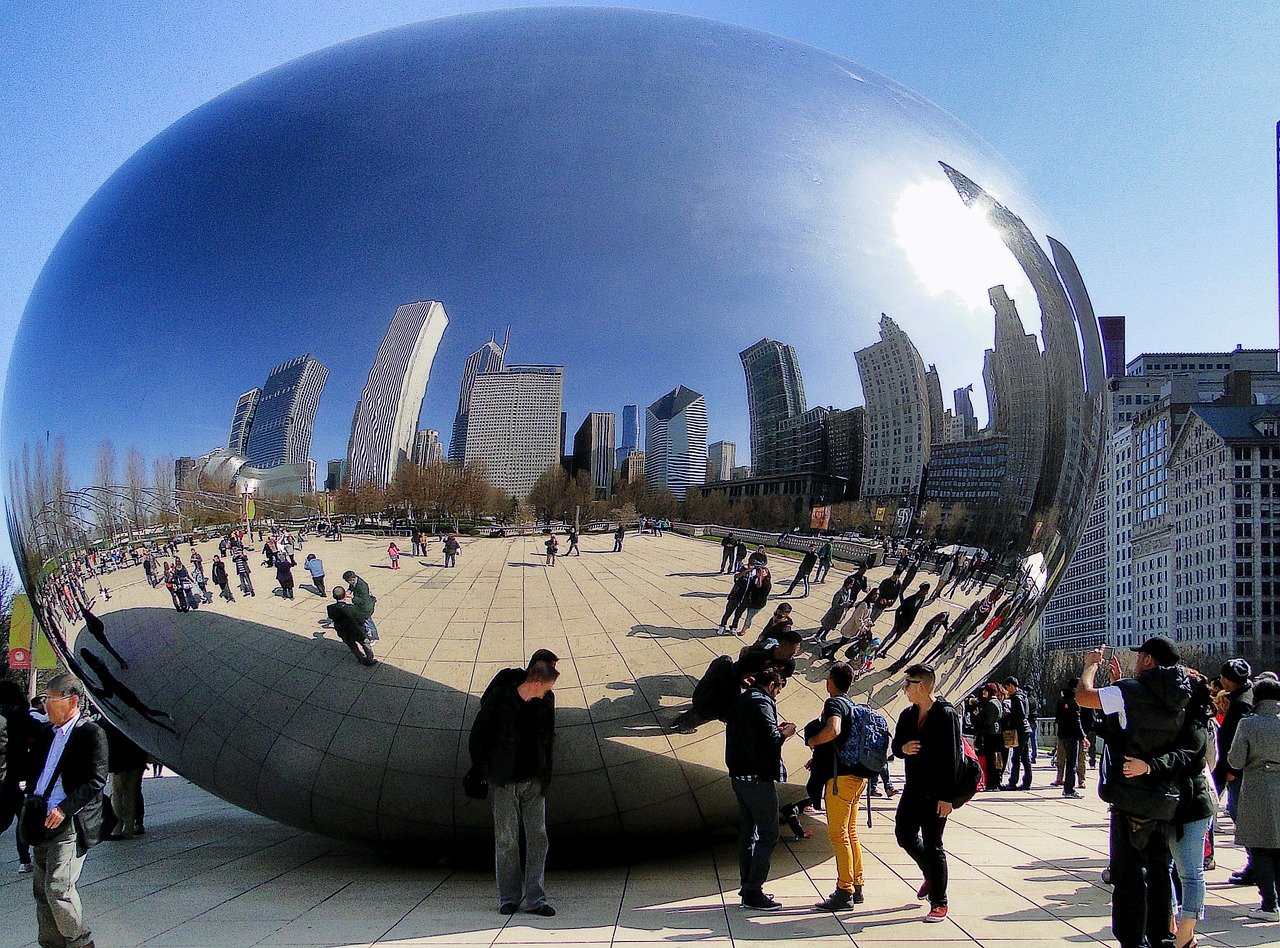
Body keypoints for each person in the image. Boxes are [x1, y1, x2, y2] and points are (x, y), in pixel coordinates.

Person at [1076, 637, 1191, 948]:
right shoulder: (1183, 695)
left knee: (1129, 877)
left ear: (1150, 660)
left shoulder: (1131, 690)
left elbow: (1084, 697)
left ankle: (1132, 940)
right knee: (1159, 873)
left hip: (1131, 796)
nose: (1137, 661)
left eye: (1141, 657)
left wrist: (1090, 667)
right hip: (1165, 796)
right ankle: (1160, 937)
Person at [21, 673, 108, 948]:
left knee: (59, 887)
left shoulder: (90, 733)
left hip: (67, 822)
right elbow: (37, 771)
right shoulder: (47, 733)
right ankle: (51, 943)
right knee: (41, 891)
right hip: (40, 818)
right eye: (44, 699)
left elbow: (96, 779)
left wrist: (65, 808)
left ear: (72, 701)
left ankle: (80, 942)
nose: (45, 705)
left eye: (50, 699)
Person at [468, 659, 559, 917]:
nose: (548, 692)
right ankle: (508, 897)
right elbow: (478, 738)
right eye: (546, 687)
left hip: (534, 782)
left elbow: (548, 739)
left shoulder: (545, 703)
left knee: (538, 838)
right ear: (536, 683)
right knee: (506, 840)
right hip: (505, 782)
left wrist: (545, 777)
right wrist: (490, 774)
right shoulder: (501, 701)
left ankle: (536, 899)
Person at [1141, 671, 1217, 946]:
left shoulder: (1196, 722)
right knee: (1167, 867)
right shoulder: (1175, 719)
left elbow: (1187, 755)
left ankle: (1185, 933)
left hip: (1192, 805)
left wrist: (1150, 766)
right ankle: (1177, 925)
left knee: (1190, 872)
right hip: (1173, 803)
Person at [891, 663, 962, 923]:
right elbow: (896, 745)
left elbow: (953, 757)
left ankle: (939, 901)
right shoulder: (907, 715)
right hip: (913, 789)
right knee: (904, 835)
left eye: (907, 684)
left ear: (920, 685)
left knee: (934, 845)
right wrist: (903, 748)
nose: (904, 689)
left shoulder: (946, 714)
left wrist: (948, 798)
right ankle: (930, 876)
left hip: (937, 793)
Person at [725, 667, 795, 911]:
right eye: (778, 690)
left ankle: (747, 886)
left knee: (748, 833)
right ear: (773, 687)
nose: (776, 696)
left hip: (738, 775)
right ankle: (754, 890)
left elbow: (751, 735)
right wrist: (785, 733)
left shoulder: (742, 700)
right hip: (756, 777)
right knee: (769, 833)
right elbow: (770, 740)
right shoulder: (763, 702)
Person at [807, 662, 870, 911]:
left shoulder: (834, 703)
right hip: (857, 778)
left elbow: (834, 730)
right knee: (851, 832)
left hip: (840, 780)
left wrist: (813, 740)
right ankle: (857, 885)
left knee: (838, 834)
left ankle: (844, 890)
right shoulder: (852, 706)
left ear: (831, 681)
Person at [1227, 675, 1280, 922]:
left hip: (1258, 787)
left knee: (1260, 847)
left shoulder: (1249, 723)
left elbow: (1235, 761)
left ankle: (1269, 904)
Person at [1214, 658, 1254, 884]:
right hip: (1232, 766)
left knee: (1242, 816)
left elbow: (1237, 741)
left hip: (1234, 768)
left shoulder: (1242, 704)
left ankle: (1255, 865)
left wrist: (1232, 770)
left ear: (1228, 680)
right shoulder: (1242, 697)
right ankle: (1255, 865)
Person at [0, 680, 37, 873]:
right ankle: (24, 859)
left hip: (5, 776)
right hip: (19, 774)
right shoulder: (23, 718)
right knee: (21, 818)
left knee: (6, 818)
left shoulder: (3, 718)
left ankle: (25, 859)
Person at [100, 717, 146, 840]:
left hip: (119, 763)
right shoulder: (136, 721)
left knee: (117, 795)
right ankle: (129, 828)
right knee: (131, 794)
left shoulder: (111, 721)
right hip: (136, 761)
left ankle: (116, 829)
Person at [326, 587, 376, 666]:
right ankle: (369, 658)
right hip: (357, 631)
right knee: (365, 644)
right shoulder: (352, 608)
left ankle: (360, 658)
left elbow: (332, 617)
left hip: (343, 632)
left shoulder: (330, 608)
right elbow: (361, 620)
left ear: (333, 596)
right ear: (345, 596)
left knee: (352, 646)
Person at [1001, 677, 1034, 790]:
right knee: (1025, 757)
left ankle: (1013, 782)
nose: (1006, 690)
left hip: (1020, 729)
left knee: (1016, 757)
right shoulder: (1023, 696)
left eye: (1007, 687)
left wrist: (1011, 722)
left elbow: (1021, 714)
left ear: (1011, 685)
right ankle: (1027, 781)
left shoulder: (1017, 698)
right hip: (1025, 728)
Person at [1054, 682, 1085, 798]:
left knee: (1066, 761)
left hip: (1062, 734)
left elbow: (1057, 719)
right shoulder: (1075, 702)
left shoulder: (1061, 701)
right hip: (1073, 735)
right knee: (1072, 763)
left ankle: (1067, 788)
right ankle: (1069, 789)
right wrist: (1083, 736)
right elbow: (1077, 721)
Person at [815, 576, 857, 642]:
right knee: (826, 625)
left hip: (840, 613)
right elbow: (834, 604)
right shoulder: (839, 593)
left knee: (832, 626)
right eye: (851, 584)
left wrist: (849, 603)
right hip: (834, 612)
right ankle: (817, 636)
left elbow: (847, 600)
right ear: (847, 584)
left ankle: (823, 636)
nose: (851, 586)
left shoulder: (849, 591)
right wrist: (843, 604)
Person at [342, 571, 379, 642]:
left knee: (369, 623)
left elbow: (362, 600)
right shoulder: (355, 580)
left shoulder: (362, 586)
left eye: (348, 581)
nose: (348, 583)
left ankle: (375, 637)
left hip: (366, 607)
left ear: (352, 579)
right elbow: (352, 586)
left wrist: (352, 597)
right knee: (364, 621)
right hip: (362, 607)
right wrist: (349, 591)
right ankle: (367, 632)